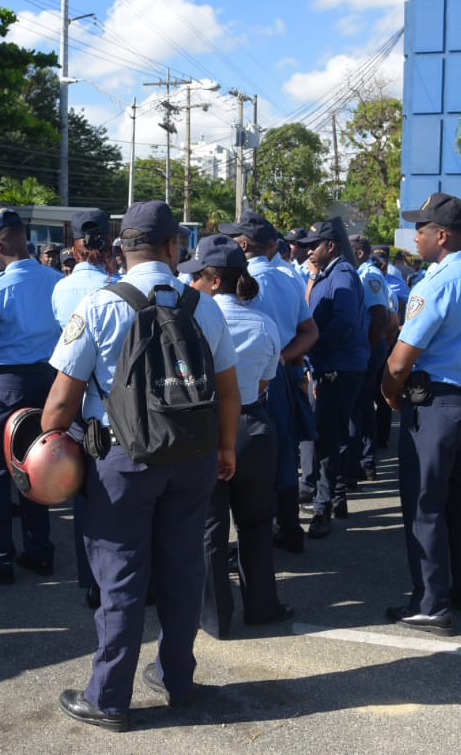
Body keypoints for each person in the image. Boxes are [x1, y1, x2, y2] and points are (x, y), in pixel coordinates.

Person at [42, 200, 240, 731]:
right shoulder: (206, 307)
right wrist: (226, 448)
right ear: (175, 247)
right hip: (193, 457)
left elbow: (61, 402)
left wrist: (47, 449)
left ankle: (109, 697)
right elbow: (228, 391)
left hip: (122, 459)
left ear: (120, 249)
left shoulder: (99, 305)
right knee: (183, 569)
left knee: (122, 575)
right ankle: (177, 678)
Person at [379, 194, 461, 635]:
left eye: (420, 229)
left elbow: (400, 361)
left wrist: (389, 391)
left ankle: (432, 604)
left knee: (425, 504)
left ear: (442, 235)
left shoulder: (435, 283)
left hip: (437, 403)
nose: (415, 236)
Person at [183, 236, 291, 638]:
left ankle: (214, 618)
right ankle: (263, 607)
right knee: (257, 523)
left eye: (198, 277)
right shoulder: (264, 322)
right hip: (254, 425)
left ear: (212, 279)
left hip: (209, 426)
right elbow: (265, 381)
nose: (192, 284)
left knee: (211, 526)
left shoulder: (195, 320)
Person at [0, 204, 61, 584]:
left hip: (4, 384)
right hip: (47, 382)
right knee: (36, 469)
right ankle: (39, 551)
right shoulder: (55, 281)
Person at [221, 212, 318, 551]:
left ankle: (258, 535)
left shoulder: (245, 281)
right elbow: (310, 332)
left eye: (234, 239)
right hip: (282, 374)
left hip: (252, 380)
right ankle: (289, 528)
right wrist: (284, 357)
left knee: (249, 461)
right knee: (283, 454)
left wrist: (275, 359)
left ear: (244, 245)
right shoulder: (290, 276)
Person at [50, 209, 117, 606]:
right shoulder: (119, 285)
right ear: (106, 244)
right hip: (113, 406)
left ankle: (92, 581)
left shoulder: (62, 289)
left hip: (75, 398)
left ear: (74, 247)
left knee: (84, 492)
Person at [296, 218, 369, 538]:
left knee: (328, 438)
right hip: (332, 364)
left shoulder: (341, 276)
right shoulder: (330, 274)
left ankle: (323, 508)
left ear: (333, 247)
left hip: (338, 365)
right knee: (332, 434)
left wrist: (313, 342)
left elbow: (344, 322)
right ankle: (336, 498)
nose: (311, 250)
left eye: (317, 245)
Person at [350, 233, 395, 486]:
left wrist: (367, 349)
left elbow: (380, 317)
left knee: (363, 405)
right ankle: (364, 461)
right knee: (362, 404)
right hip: (368, 345)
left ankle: (365, 461)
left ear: (359, 253)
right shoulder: (362, 274)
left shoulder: (369, 276)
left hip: (370, 346)